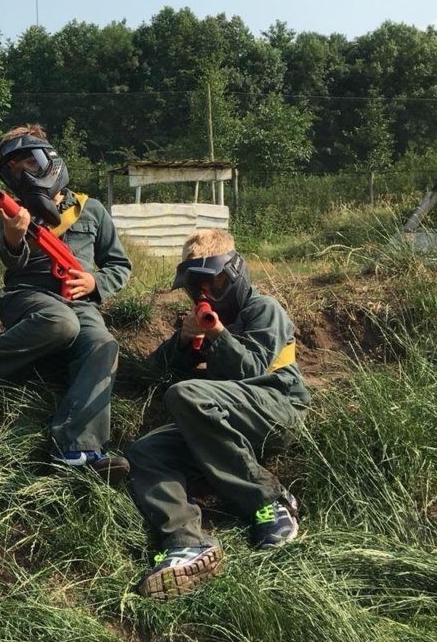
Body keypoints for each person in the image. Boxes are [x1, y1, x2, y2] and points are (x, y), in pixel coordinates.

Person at [128, 229, 309, 600]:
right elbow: (153, 372)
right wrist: (182, 341)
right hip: (220, 419)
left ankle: (269, 504)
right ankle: (186, 541)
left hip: (278, 407)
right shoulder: (202, 320)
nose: (206, 294)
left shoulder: (263, 308)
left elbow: (253, 370)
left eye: (217, 283)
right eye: (197, 288)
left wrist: (217, 334)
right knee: (145, 452)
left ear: (237, 273)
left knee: (186, 394)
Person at [0, 126, 133, 482]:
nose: (24, 176)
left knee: (102, 342)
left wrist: (95, 283)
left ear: (50, 161)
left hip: (79, 301)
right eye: (14, 171)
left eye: (30, 164)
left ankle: (75, 448)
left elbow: (120, 265)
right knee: (60, 323)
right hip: (26, 297)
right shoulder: (14, 214)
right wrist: (16, 237)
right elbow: (11, 261)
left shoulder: (90, 209)